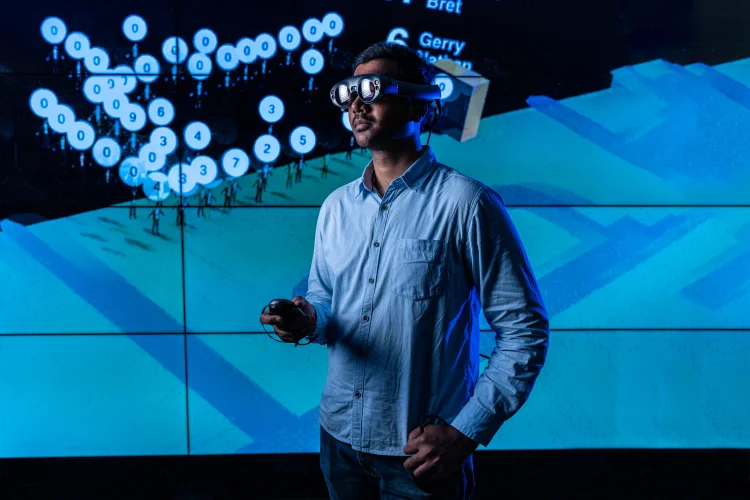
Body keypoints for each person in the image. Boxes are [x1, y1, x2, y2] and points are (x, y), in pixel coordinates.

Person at [259, 41, 549, 500]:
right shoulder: (336, 208)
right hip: (338, 443)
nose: (355, 103)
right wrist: (308, 319)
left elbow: (524, 331)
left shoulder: (466, 203)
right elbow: (327, 302)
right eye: (347, 92)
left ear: (419, 101)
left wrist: (464, 433)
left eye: (371, 88)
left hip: (420, 458)